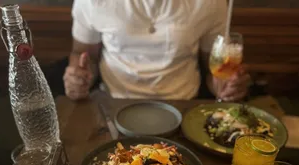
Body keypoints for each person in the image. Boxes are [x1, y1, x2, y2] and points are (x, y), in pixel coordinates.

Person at [64, 0, 250, 101]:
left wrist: (225, 85)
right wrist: (78, 77)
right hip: (114, 102)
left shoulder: (211, 3)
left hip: (184, 104)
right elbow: (82, 54)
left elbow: (213, 69)